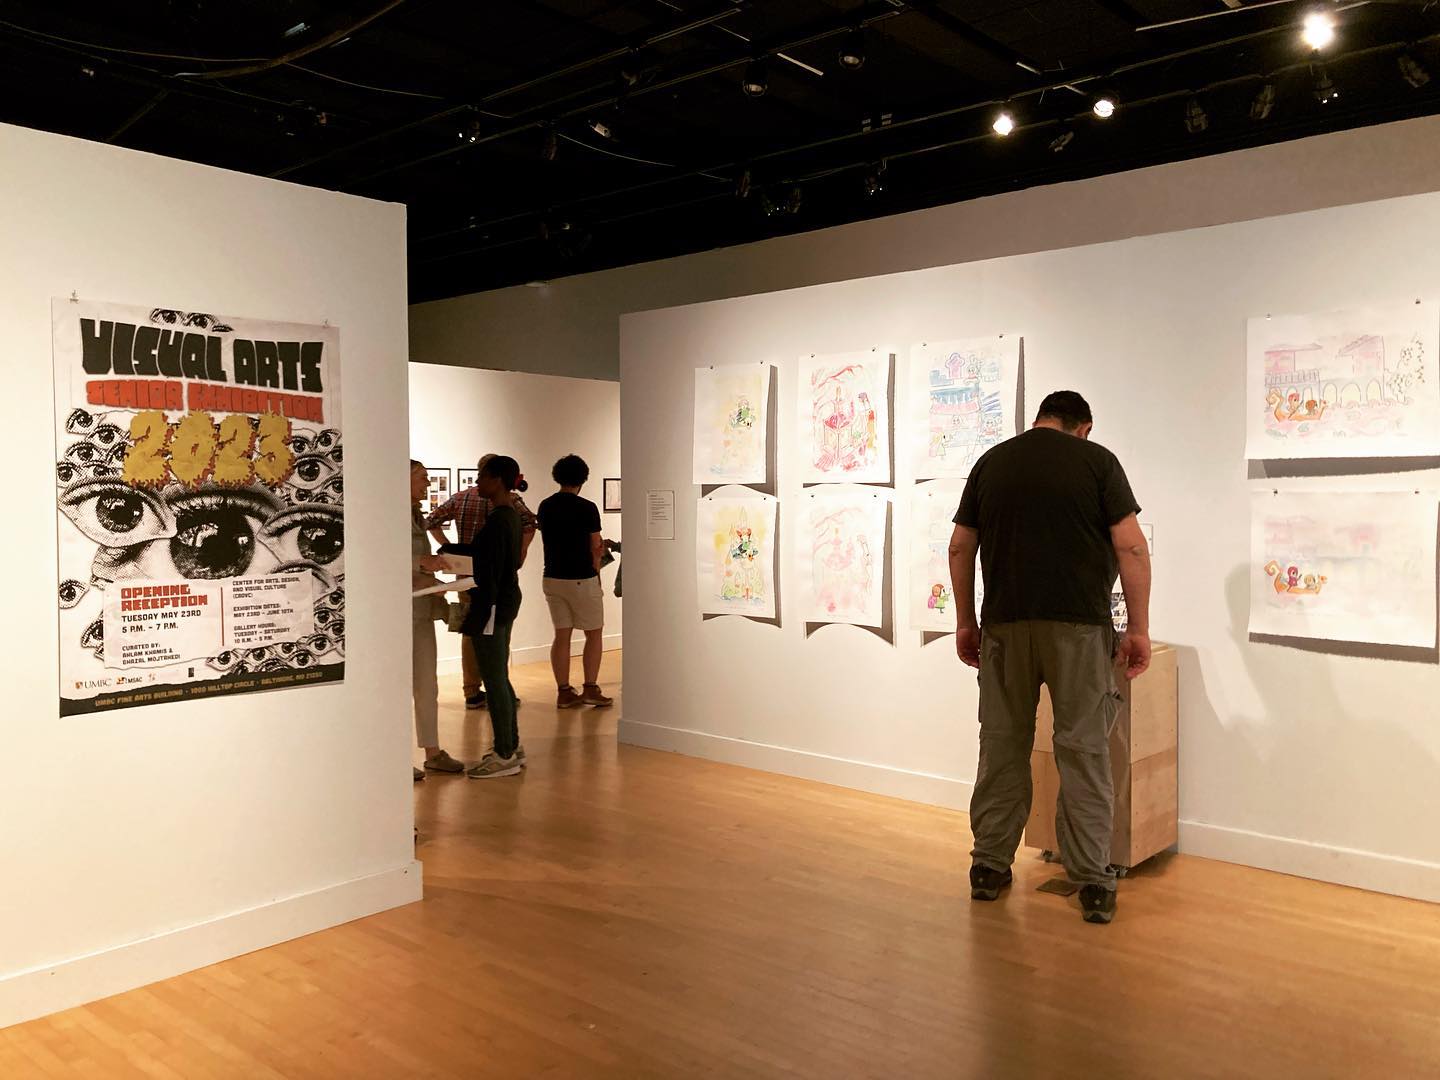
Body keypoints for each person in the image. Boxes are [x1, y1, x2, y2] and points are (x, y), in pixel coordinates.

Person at [948, 391, 1151, 925]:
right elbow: (1130, 547)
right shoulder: (1098, 462)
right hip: (1079, 630)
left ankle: (989, 867)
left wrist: (966, 620)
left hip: (1006, 628)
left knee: (1001, 743)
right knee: (1083, 750)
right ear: (1083, 427)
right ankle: (1093, 882)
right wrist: (1139, 629)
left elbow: (959, 546)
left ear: (1040, 419)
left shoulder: (992, 462)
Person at [425, 454, 536, 710]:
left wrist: (449, 548)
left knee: (471, 633)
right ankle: (498, 688)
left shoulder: (460, 497)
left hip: (465, 576)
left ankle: (472, 690)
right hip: (495, 577)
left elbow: (431, 521)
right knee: (496, 635)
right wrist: (519, 553)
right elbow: (530, 523)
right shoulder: (508, 502)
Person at [439, 455, 527, 779]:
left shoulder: (501, 520)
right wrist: (449, 555)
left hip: (491, 607)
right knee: (499, 678)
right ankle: (511, 745)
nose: (478, 482)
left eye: (482, 477)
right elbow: (489, 558)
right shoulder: (509, 516)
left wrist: (447, 562)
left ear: (497, 480)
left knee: (494, 679)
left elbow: (485, 567)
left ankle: (504, 753)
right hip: (502, 604)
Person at [537, 455, 613, 708]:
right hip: (582, 578)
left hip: (552, 577)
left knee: (562, 635)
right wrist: (597, 571)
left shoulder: (545, 506)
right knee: (594, 632)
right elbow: (596, 545)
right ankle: (590, 687)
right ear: (583, 478)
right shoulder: (587, 507)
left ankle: (564, 691)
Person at [408, 460, 465, 780]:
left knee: (427, 684)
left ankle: (432, 750)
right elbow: (379, 557)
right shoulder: (388, 513)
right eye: (421, 478)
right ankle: (394, 756)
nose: (427, 485)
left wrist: (432, 571)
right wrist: (421, 563)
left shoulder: (415, 514)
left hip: (421, 610)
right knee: (400, 685)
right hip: (398, 613)